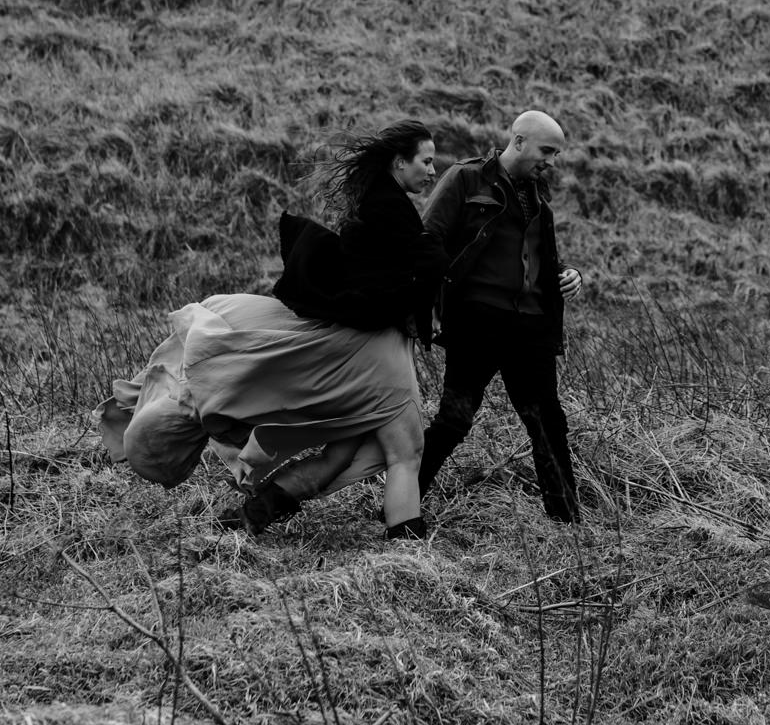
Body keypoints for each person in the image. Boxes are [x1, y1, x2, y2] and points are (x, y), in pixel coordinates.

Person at [97, 120, 445, 540]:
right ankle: (408, 545)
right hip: (376, 356)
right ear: (399, 161)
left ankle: (263, 508)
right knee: (406, 452)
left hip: (375, 349)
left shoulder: (381, 203)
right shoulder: (387, 209)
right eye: (426, 161)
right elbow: (387, 276)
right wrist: (433, 260)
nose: (432, 171)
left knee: (347, 449)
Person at [417, 109, 585, 523]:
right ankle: (402, 502)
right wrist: (430, 306)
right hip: (478, 321)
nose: (552, 161)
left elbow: (547, 257)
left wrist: (570, 274)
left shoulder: (538, 195)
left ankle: (567, 521)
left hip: (532, 325)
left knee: (548, 421)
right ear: (519, 141)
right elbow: (429, 239)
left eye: (558, 154)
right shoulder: (466, 178)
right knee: (454, 421)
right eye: (547, 150)